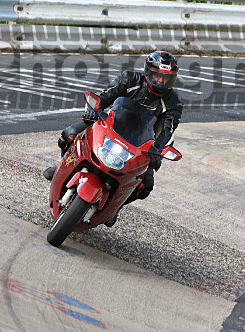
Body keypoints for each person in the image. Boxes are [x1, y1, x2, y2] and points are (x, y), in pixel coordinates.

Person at [43, 51, 183, 226]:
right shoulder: (130, 79)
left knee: (146, 185)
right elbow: (108, 94)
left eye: (166, 79)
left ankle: (116, 206)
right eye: (157, 76)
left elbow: (167, 129)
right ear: (148, 72)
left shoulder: (173, 102)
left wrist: (159, 150)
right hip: (110, 126)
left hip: (141, 145)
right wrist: (95, 107)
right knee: (68, 135)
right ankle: (63, 167)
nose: (161, 82)